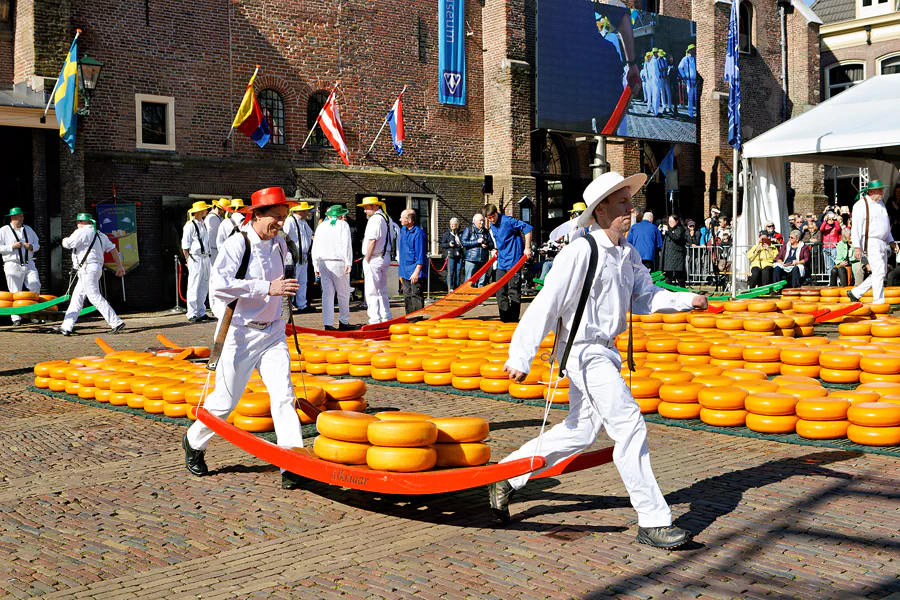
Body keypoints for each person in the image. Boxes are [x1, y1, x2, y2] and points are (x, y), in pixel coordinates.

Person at [487, 171, 707, 549]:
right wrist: (520, 355)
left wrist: (686, 300)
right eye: (622, 202)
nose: (630, 208)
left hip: (606, 350)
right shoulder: (580, 251)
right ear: (600, 210)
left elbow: (645, 297)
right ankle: (653, 520)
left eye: (629, 201)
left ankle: (507, 476)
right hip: (583, 351)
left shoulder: (628, 253)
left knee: (580, 431)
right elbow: (547, 303)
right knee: (629, 424)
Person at [182, 187, 306, 490]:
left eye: (284, 217)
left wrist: (283, 300)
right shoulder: (237, 244)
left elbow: (282, 282)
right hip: (240, 332)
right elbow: (221, 286)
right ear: (258, 215)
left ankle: (291, 460)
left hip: (273, 331)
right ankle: (194, 441)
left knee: (283, 396)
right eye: (276, 217)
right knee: (225, 401)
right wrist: (266, 288)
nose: (281, 223)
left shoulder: (280, 244)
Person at [58, 213, 126, 336]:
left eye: (78, 222)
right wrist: (120, 266)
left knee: (94, 296)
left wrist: (64, 240)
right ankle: (66, 326)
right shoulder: (100, 235)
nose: (77, 224)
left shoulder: (81, 232)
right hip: (95, 268)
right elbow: (113, 249)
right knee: (76, 298)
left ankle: (116, 322)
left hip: (87, 269)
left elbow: (68, 244)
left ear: (83, 222)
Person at [849, 180, 898, 304]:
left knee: (881, 272)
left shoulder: (881, 203)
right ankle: (878, 300)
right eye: (879, 190)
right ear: (870, 191)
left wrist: (891, 241)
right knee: (880, 271)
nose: (882, 192)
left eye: (882, 189)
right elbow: (856, 228)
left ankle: (856, 292)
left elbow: (885, 225)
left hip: (882, 241)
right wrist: (857, 246)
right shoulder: (860, 205)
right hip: (870, 241)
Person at [484, 204, 533, 322]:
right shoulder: (492, 224)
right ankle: (505, 319)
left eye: (493, 216)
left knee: (513, 290)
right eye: (489, 218)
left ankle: (513, 320)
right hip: (501, 261)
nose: (492, 220)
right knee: (499, 290)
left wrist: (527, 248)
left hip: (514, 261)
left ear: (497, 213)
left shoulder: (507, 221)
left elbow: (528, 229)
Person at [312, 205, 354, 330]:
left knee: (327, 294)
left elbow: (315, 246)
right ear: (340, 215)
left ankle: (328, 323)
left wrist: (315, 265)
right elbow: (346, 244)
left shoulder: (321, 226)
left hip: (323, 262)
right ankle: (343, 321)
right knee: (343, 293)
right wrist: (348, 262)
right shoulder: (343, 225)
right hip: (338, 262)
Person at [0, 207, 41, 326]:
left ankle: (34, 313)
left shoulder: (28, 229)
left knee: (35, 284)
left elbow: (37, 244)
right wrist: (11, 247)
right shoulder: (3, 231)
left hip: (29, 263)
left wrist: (31, 247)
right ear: (13, 217)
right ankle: (16, 318)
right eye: (20, 215)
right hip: (12, 264)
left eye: (22, 215)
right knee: (15, 291)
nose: (22, 217)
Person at [358, 196, 394, 324]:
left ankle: (374, 319)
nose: (365, 211)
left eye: (366, 208)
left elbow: (372, 240)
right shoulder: (387, 218)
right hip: (385, 256)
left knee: (371, 290)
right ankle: (386, 316)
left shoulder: (374, 220)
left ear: (374, 206)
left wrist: (367, 258)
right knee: (382, 289)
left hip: (374, 257)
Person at [182, 201, 213, 323]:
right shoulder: (190, 225)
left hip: (205, 257)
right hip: (196, 257)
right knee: (194, 286)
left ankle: (201, 311)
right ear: (201, 211)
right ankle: (191, 313)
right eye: (205, 209)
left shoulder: (203, 224)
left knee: (203, 286)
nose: (207, 211)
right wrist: (188, 259)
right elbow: (185, 244)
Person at [283, 201, 315, 313]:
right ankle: (290, 305)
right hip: (294, 257)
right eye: (306, 210)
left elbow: (311, 235)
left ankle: (302, 305)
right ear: (301, 211)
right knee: (292, 281)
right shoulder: (290, 221)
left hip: (304, 256)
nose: (308, 212)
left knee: (303, 281)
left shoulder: (303, 222)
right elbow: (284, 237)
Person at [399, 209, 427, 314]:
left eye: (402, 217)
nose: (400, 219)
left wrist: (417, 272)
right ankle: (410, 317)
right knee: (407, 295)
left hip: (414, 270)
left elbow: (421, 254)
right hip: (405, 270)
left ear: (410, 220)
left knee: (416, 294)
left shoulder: (418, 233)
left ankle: (418, 320)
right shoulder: (403, 230)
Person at [461, 213, 493, 287]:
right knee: (469, 280)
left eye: (483, 221)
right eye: (480, 220)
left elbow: (492, 245)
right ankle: (468, 296)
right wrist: (477, 241)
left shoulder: (486, 231)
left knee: (482, 280)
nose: (482, 222)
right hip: (471, 259)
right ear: (474, 221)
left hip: (483, 260)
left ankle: (479, 297)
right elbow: (464, 242)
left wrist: (487, 245)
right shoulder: (468, 229)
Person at [661, 214, 689, 287]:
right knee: (668, 275)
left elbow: (677, 238)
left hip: (677, 255)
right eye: (669, 221)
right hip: (668, 256)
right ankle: (668, 291)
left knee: (679, 275)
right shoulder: (669, 230)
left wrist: (668, 232)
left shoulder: (680, 229)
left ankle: (682, 290)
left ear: (676, 221)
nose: (670, 223)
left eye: (672, 221)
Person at [441, 218, 464, 293]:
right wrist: (449, 245)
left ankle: (457, 286)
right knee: (450, 272)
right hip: (451, 255)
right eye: (451, 224)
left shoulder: (460, 234)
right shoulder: (447, 234)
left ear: (457, 225)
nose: (452, 226)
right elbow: (443, 244)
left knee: (458, 271)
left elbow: (463, 242)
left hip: (459, 255)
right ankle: (450, 288)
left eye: (454, 224)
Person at [204, 198, 230, 265]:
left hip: (213, 248)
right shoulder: (213, 218)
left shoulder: (215, 217)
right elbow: (219, 234)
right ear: (221, 209)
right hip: (213, 248)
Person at [677, 44, 697, 118]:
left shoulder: (696, 58)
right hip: (688, 80)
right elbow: (679, 67)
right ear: (689, 51)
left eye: (694, 49)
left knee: (696, 97)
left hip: (695, 80)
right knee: (690, 97)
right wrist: (684, 76)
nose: (693, 50)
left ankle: (697, 112)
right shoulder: (685, 59)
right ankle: (690, 112)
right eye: (692, 49)